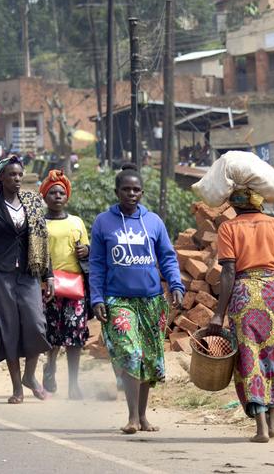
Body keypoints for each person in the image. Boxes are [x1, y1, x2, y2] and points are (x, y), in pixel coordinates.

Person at [207, 187, 274, 443]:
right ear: (260, 201)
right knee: (273, 352)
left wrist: (218, 315)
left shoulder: (229, 229)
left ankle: (261, 427)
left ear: (234, 204)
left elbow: (229, 273)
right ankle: (273, 418)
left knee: (249, 356)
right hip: (273, 293)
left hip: (244, 295)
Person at [89, 164, 184, 434]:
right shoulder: (103, 222)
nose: (131, 193)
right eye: (126, 189)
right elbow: (96, 263)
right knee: (130, 353)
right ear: (116, 191)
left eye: (136, 189)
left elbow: (167, 256)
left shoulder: (153, 221)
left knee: (149, 360)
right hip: (118, 300)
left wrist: (175, 284)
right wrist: (96, 298)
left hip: (151, 301)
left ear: (142, 192)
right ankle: (131, 417)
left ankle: (143, 417)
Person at [0, 156, 54, 404]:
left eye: (20, 174)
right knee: (9, 329)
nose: (17, 179)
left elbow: (42, 240)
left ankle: (29, 377)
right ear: (0, 178)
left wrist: (48, 274)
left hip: (29, 273)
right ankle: (16, 389)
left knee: (35, 324)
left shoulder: (31, 202)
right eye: (12, 175)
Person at [39, 170, 90, 399]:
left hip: (74, 287)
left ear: (67, 197)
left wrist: (86, 250)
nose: (58, 196)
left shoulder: (76, 222)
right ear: (44, 197)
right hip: (47, 287)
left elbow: (88, 252)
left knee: (75, 336)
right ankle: (49, 368)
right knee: (51, 335)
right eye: (52, 192)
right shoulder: (39, 224)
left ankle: (74, 384)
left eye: (61, 192)